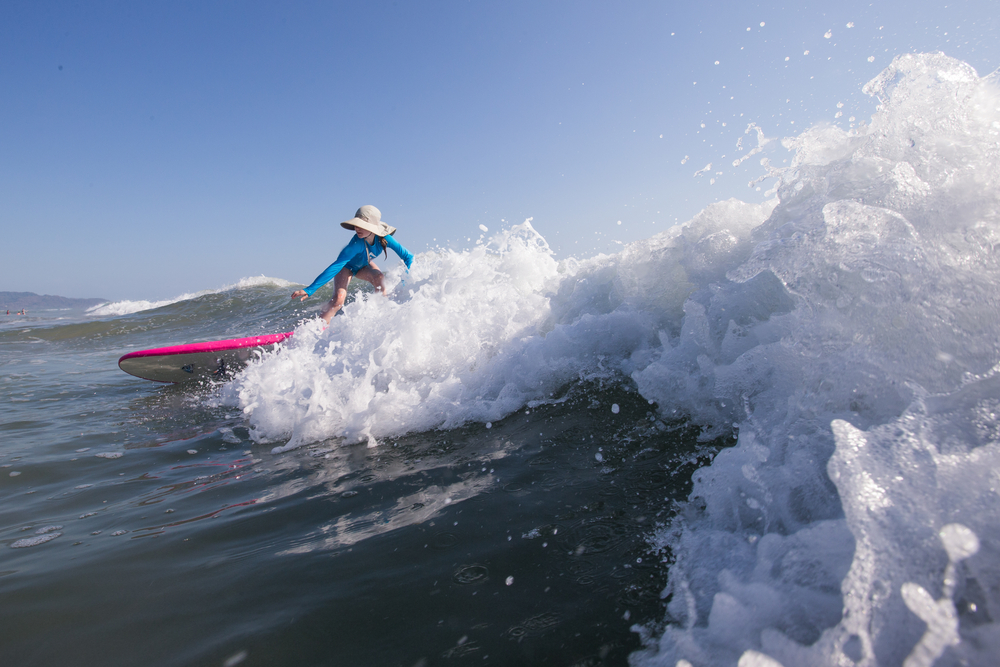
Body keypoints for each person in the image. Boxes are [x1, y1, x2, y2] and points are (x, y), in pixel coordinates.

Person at [291, 205, 413, 323]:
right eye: (356, 225)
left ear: (372, 227)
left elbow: (409, 257)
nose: (357, 228)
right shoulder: (355, 244)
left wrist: (405, 280)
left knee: (380, 279)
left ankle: (381, 318)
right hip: (346, 267)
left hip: (364, 266)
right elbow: (336, 265)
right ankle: (320, 326)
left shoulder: (384, 239)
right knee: (338, 299)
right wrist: (310, 289)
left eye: (361, 225)